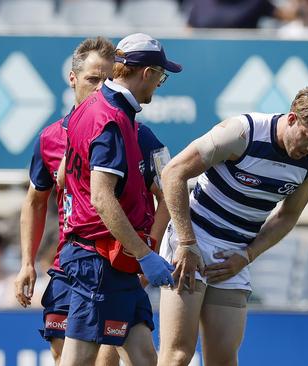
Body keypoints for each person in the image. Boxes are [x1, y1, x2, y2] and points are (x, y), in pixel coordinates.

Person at [158, 85, 308, 366]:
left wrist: (247, 255)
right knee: (178, 356)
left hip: (233, 256)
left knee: (224, 361)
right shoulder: (241, 133)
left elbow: (288, 216)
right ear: (291, 119)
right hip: (192, 240)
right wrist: (187, 243)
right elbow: (173, 173)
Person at [15, 36, 171, 366]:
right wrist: (27, 261)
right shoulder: (72, 130)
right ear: (73, 79)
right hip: (85, 255)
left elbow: (167, 197)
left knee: (127, 357)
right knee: (69, 354)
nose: (101, 86)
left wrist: (148, 250)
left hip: (113, 255)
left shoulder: (136, 131)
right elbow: (39, 200)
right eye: (93, 79)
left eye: (106, 78)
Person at [58, 33, 182, 366]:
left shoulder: (94, 109)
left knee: (144, 356)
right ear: (147, 73)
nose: (160, 83)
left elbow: (64, 177)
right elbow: (101, 197)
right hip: (98, 257)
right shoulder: (110, 118)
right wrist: (145, 254)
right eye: (161, 76)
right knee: (79, 359)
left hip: (112, 258)